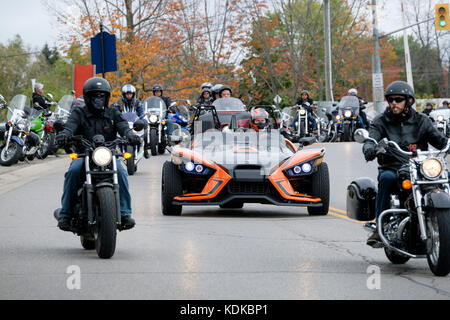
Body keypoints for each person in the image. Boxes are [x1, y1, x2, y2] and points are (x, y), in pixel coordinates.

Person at [362, 80, 447, 247]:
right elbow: (370, 140)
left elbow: (439, 140)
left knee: (446, 177)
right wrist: (372, 148)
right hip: (392, 167)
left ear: (409, 101)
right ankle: (380, 227)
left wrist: (447, 143)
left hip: (419, 168)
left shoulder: (422, 120)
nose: (394, 103)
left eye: (398, 99)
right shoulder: (381, 121)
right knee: (386, 178)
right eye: (391, 99)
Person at [54, 77, 141, 232]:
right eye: (95, 96)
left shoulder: (113, 112)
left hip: (108, 155)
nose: (98, 99)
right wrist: (65, 134)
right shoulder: (79, 113)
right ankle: (65, 214)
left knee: (121, 172)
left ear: (106, 97)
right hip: (84, 154)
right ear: (88, 97)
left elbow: (122, 126)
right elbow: (70, 126)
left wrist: (131, 134)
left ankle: (125, 213)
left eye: (102, 96)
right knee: (73, 171)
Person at [112, 84, 149, 158]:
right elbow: (114, 113)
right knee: (112, 131)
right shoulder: (118, 103)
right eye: (127, 94)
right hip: (122, 124)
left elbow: (141, 113)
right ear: (124, 94)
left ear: (133, 94)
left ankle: (145, 149)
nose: (129, 96)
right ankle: (113, 150)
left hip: (135, 124)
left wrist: (143, 120)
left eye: (130, 94)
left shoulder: (137, 102)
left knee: (145, 129)